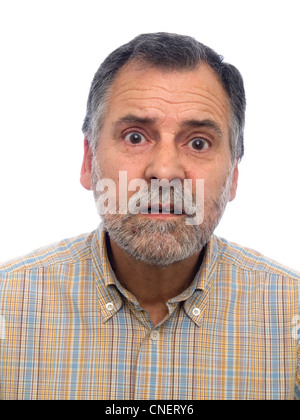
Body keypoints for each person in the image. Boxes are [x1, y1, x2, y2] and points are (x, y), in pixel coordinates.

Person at [0, 33, 299, 401]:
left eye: (198, 142)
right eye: (136, 137)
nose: (164, 171)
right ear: (89, 160)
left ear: (234, 175)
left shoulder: (292, 319)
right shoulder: (5, 307)